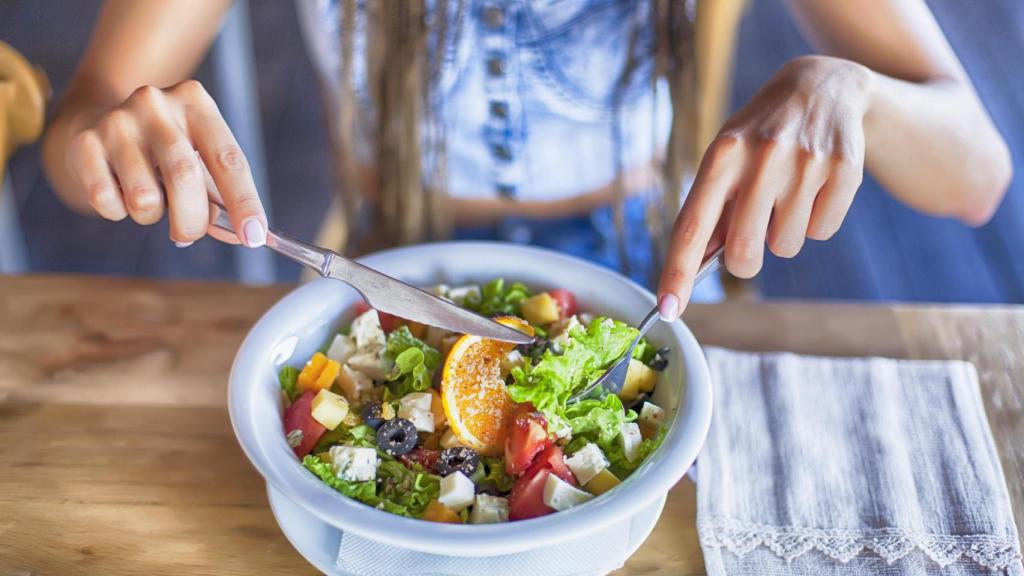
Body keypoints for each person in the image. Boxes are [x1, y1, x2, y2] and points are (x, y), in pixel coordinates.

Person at [42, 0, 1011, 321]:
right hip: (390, 272)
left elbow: (975, 174)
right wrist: (104, 142)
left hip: (650, 286)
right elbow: (80, 122)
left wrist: (855, 92)